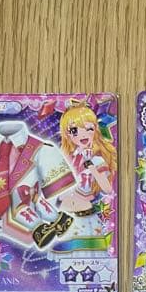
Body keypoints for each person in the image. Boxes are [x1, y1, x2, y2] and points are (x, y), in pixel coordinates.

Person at [53, 103, 116, 253]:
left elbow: (107, 189)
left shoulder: (97, 160)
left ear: (95, 130)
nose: (83, 134)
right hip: (62, 217)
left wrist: (91, 165)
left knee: (86, 256)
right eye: (75, 130)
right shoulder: (65, 158)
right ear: (67, 134)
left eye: (89, 129)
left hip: (85, 219)